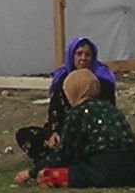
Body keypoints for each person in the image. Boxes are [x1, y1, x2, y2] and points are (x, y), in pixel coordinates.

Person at [17, 69, 135, 188]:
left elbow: (63, 154)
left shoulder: (78, 113)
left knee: (48, 176)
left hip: (104, 171)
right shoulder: (110, 108)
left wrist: (31, 172)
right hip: (133, 171)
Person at [15, 36, 118, 169]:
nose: (83, 58)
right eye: (79, 54)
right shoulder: (62, 79)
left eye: (87, 54)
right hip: (63, 131)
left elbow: (107, 112)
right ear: (72, 55)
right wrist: (53, 133)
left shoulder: (102, 81)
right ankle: (64, 160)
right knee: (24, 135)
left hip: (89, 134)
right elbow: (55, 111)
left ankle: (58, 161)